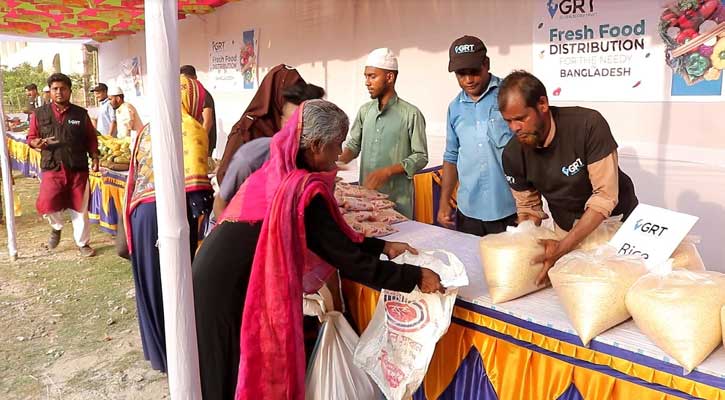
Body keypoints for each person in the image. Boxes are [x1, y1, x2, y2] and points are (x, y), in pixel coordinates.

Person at [193, 99, 443, 400]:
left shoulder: (278, 174)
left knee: (220, 372)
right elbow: (349, 261)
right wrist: (414, 277)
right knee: (225, 376)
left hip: (212, 274)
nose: (340, 154)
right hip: (225, 290)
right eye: (336, 145)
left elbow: (329, 238)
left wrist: (384, 246)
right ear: (314, 146)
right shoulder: (300, 191)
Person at [499, 70, 638, 285]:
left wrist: (563, 247)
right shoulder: (512, 154)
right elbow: (528, 208)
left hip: (615, 224)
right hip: (566, 226)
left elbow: (605, 197)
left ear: (542, 104)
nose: (514, 128)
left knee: (618, 288)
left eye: (521, 118)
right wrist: (526, 246)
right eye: (508, 121)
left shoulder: (587, 125)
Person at [123, 75, 213, 373]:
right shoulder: (190, 128)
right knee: (175, 285)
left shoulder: (150, 128)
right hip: (168, 216)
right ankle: (179, 357)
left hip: (141, 215)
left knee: (150, 284)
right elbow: (198, 198)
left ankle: (161, 356)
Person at [437, 36, 517, 236]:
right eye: (461, 74)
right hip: (469, 211)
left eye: (474, 72)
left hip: (509, 209)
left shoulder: (510, 95)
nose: (468, 80)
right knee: (473, 265)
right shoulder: (454, 108)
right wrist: (444, 201)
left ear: (486, 64)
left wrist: (530, 206)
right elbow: (451, 156)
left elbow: (531, 147)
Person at [212, 82, 325, 218]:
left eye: (307, 126)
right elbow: (221, 203)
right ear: (282, 122)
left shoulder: (318, 160)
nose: (298, 131)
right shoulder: (253, 157)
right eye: (293, 124)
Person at [339, 48, 429, 218]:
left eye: (372, 76)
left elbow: (421, 156)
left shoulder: (411, 114)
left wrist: (387, 171)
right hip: (365, 202)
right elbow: (353, 145)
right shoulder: (365, 111)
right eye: (366, 77)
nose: (367, 82)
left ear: (389, 77)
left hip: (398, 204)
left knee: (398, 242)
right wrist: (337, 161)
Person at [27, 73, 99, 257]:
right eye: (55, 89)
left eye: (63, 89)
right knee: (48, 202)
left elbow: (91, 138)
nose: (59, 92)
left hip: (77, 167)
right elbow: (31, 137)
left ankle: (83, 244)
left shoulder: (80, 114)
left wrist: (95, 157)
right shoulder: (39, 113)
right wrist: (37, 143)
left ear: (69, 91)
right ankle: (56, 227)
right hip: (52, 166)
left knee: (79, 206)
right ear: (50, 92)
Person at [216, 64, 306, 184]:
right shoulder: (247, 129)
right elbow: (225, 177)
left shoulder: (293, 128)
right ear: (276, 94)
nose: (296, 105)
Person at [180, 65, 217, 157]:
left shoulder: (203, 95)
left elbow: (208, 122)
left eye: (187, 80)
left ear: (195, 78)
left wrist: (198, 142)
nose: (186, 84)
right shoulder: (187, 95)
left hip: (202, 143)